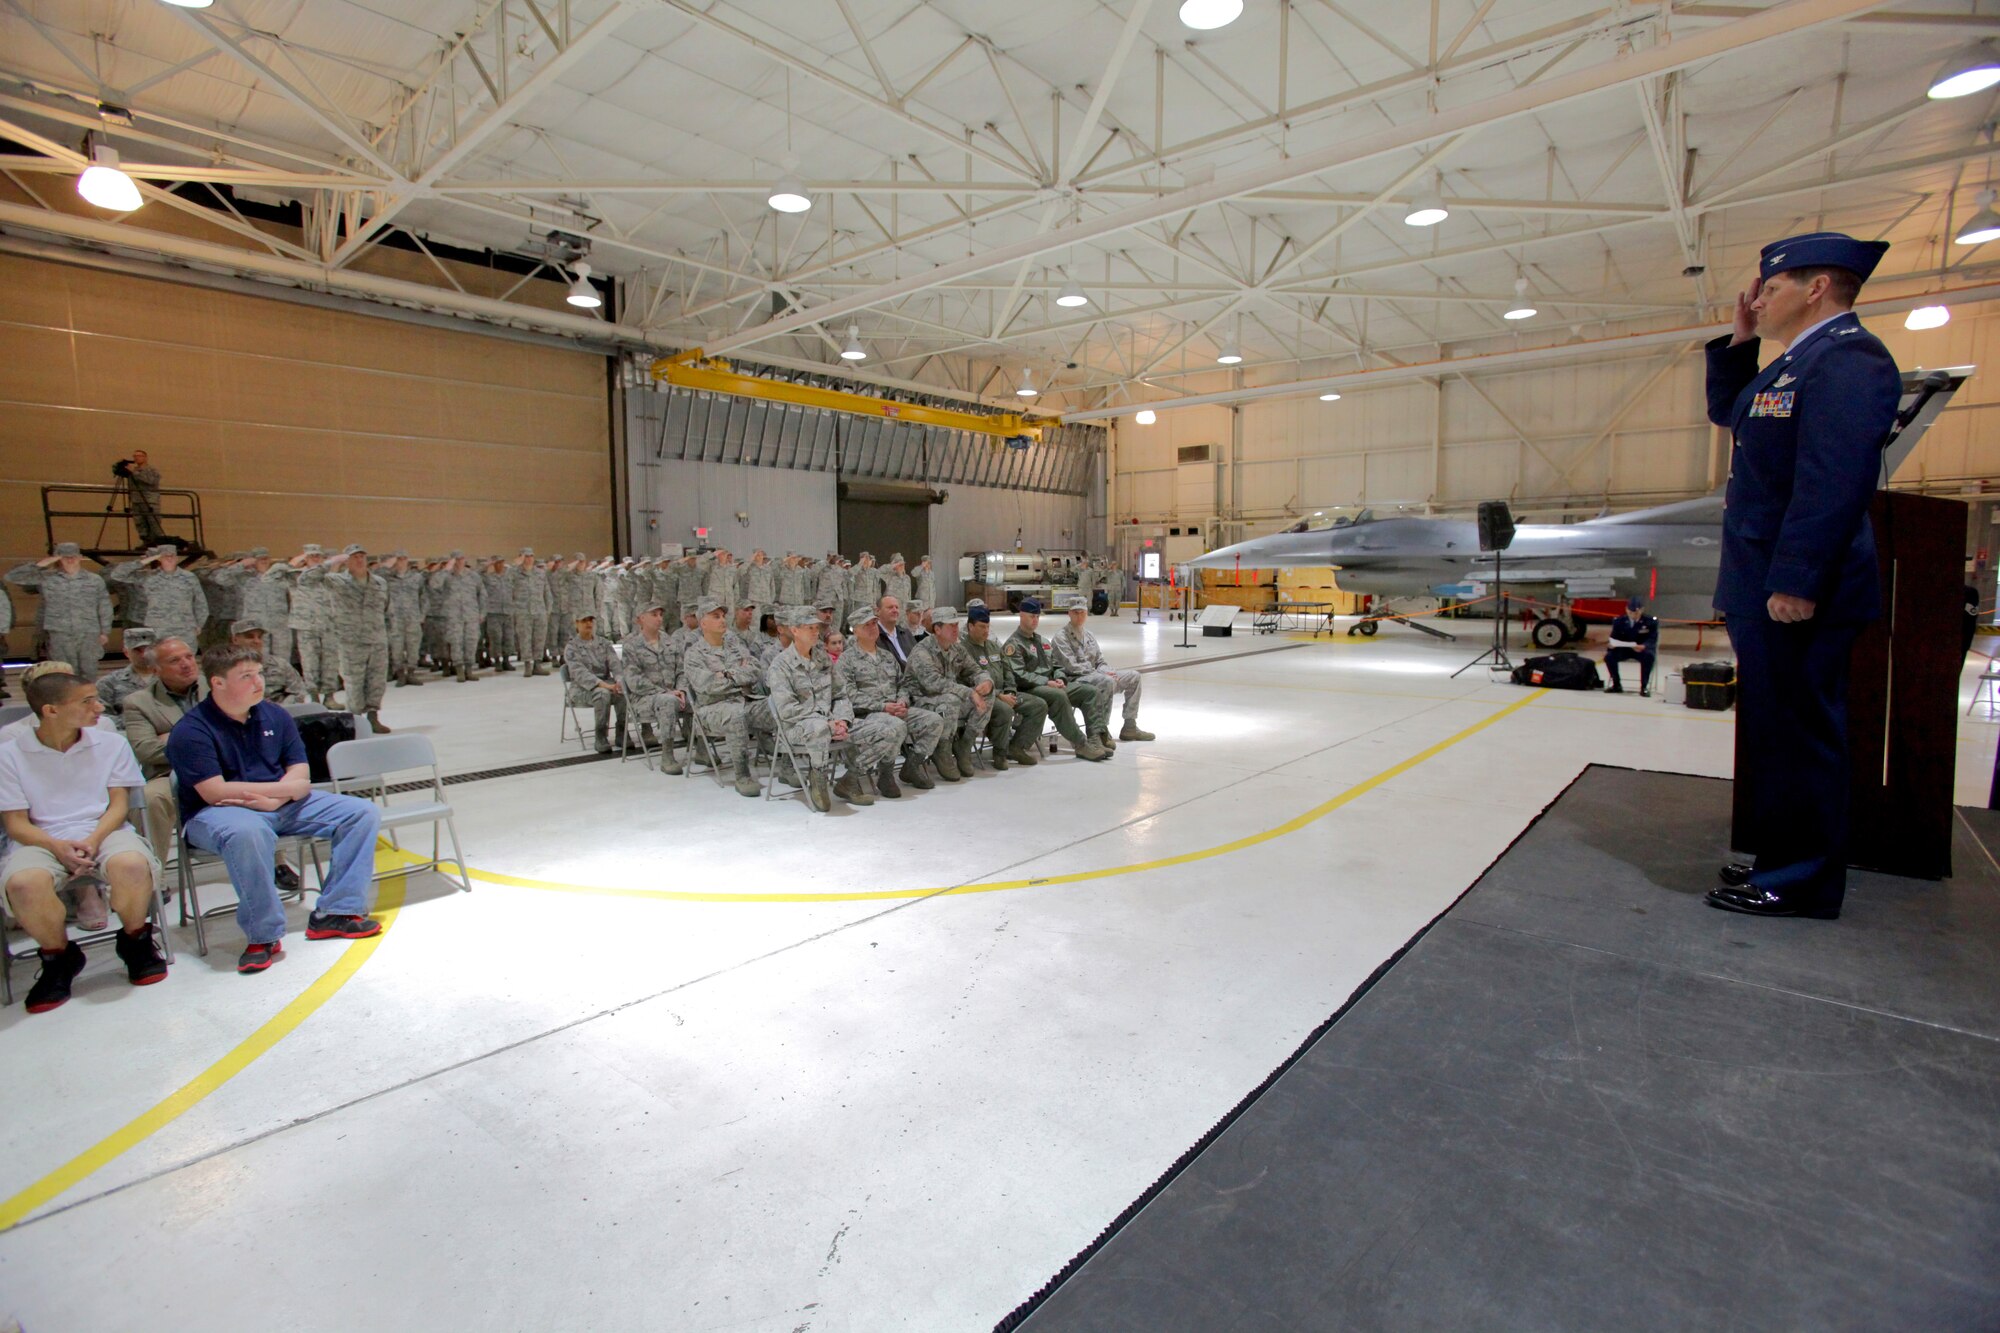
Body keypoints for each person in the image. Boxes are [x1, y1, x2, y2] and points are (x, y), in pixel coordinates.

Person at [1703, 231, 1903, 921]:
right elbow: (1732, 415)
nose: (1760, 298)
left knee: (1804, 732)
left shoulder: (1850, 360)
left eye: (1772, 286)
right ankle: (1780, 856)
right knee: (1777, 731)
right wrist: (1739, 344)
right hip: (1765, 584)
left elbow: (1832, 482)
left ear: (1816, 287)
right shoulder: (1791, 365)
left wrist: (1797, 578)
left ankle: (1804, 879)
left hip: (1795, 590)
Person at [167, 644, 384, 973]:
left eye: (259, 674)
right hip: (217, 814)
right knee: (248, 832)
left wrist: (276, 799)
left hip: (278, 804)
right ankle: (263, 935)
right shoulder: (192, 730)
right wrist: (282, 792)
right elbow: (214, 792)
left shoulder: (275, 715)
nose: (258, 683)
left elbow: (301, 775)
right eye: (246, 676)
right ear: (218, 683)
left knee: (360, 813)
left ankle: (336, 911)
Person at [0, 671, 168, 1012]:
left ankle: (136, 940)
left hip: (103, 830)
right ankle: (58, 957)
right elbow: (16, 823)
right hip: (40, 837)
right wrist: (57, 846)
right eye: (87, 701)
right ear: (51, 710)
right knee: (23, 884)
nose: (99, 707)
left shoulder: (110, 743)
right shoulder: (9, 754)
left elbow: (119, 805)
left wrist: (92, 839)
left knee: (131, 865)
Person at [764, 609, 874, 810]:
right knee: (818, 728)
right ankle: (818, 777)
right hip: (796, 728)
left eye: (817, 628)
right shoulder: (780, 666)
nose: (816, 632)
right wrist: (827, 724)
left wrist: (842, 720)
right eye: (809, 628)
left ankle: (850, 780)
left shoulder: (823, 659)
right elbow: (787, 710)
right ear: (795, 630)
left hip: (831, 723)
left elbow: (841, 694)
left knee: (885, 728)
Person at [122, 636, 208, 863]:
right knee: (149, 798)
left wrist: (176, 738)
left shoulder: (218, 686)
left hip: (226, 767)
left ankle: (277, 863)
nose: (186, 664)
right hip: (174, 774)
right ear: (155, 669)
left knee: (265, 776)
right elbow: (146, 750)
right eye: (174, 660)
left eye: (189, 656)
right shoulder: (139, 702)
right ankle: (152, 878)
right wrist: (208, 741)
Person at [836, 607, 940, 795]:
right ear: (856, 631)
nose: (872, 628)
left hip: (896, 709)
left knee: (933, 721)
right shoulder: (847, 660)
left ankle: (912, 766)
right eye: (866, 625)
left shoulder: (886, 656)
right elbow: (847, 694)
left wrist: (902, 701)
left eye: (874, 623)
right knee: (896, 726)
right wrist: (883, 707)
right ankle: (886, 774)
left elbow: (903, 684)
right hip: (867, 714)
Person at [683, 596, 773, 798]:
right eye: (715, 616)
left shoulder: (734, 645)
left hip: (744, 702)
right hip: (711, 710)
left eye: (723, 615)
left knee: (777, 705)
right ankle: (743, 776)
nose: (722, 620)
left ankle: (786, 766)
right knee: (735, 715)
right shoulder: (694, 654)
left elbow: (755, 669)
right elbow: (707, 685)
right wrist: (738, 676)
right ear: (702, 623)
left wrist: (727, 674)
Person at [1003, 599, 1107, 761]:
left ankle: (1095, 738)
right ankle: (1081, 744)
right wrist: (1046, 682)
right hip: (1030, 688)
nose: (1035, 620)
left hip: (1052, 685)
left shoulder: (1042, 642)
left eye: (1037, 616)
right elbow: (1019, 675)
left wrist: (1059, 678)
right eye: (1031, 616)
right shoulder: (1014, 644)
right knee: (1058, 697)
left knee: (1089, 692)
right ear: (1021, 616)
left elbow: (1057, 665)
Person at [304, 544, 392, 733]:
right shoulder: (336, 581)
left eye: (362, 556)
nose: (359, 560)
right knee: (354, 682)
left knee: (376, 681)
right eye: (354, 557)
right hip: (350, 641)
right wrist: (330, 562)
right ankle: (355, 721)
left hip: (377, 639)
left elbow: (386, 609)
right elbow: (306, 579)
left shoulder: (379, 582)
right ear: (346, 560)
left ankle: (373, 716)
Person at [907, 607, 992, 783]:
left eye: (956, 625)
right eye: (950, 626)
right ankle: (943, 750)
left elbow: (975, 670)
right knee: (952, 701)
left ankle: (965, 746)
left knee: (988, 695)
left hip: (948, 700)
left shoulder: (956, 649)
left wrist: (985, 682)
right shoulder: (922, 652)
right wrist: (969, 693)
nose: (955, 629)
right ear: (937, 629)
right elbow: (934, 684)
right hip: (922, 701)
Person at [7, 543, 115, 681]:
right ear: (58, 559)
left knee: (89, 670)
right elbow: (12, 577)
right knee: (63, 671)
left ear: (80, 557)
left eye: (73, 557)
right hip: (59, 632)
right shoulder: (46, 577)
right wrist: (42, 564)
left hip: (88, 632)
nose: (70, 560)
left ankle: (87, 699)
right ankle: (67, 700)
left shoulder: (94, 580)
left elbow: (104, 605)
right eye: (65, 557)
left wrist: (105, 631)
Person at [1053, 602, 1155, 749]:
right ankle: (1102, 730)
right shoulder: (1061, 637)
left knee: (1134, 676)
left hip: (1097, 676)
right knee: (1105, 681)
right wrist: (1102, 674)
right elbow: (1072, 666)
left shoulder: (1088, 635)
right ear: (1069, 613)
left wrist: (1107, 670)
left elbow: (1100, 660)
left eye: (1082, 612)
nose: (1079, 616)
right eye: (1075, 612)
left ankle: (1130, 726)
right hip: (1075, 680)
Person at [965, 603, 1047, 768]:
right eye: (981, 627)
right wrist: (998, 695)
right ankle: (1000, 753)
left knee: (1039, 705)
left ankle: (1017, 746)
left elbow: (1007, 670)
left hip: (1006, 693)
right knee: (1004, 710)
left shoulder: (993, 646)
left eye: (988, 626)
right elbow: (967, 681)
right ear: (970, 626)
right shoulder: (964, 649)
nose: (986, 631)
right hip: (985, 698)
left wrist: (1010, 690)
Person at [110, 545, 208, 661]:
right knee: (159, 661)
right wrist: (147, 559)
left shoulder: (189, 578)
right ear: (159, 558)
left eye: (173, 556)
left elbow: (200, 603)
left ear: (177, 558)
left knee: (186, 660)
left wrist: (199, 624)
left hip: (184, 628)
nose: (170, 559)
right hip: (158, 628)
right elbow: (118, 574)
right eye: (165, 556)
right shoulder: (148, 577)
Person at [620, 602, 686, 774]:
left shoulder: (670, 642)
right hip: (644, 699)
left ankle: (702, 750)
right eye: (654, 615)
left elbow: (682, 671)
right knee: (668, 701)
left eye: (660, 615)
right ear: (641, 619)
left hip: (674, 694)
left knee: (698, 698)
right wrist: (666, 692)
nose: (659, 618)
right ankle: (667, 756)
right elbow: (634, 681)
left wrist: (683, 690)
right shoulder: (631, 646)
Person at [563, 612, 626, 755]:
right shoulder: (572, 647)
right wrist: (605, 685)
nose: (588, 624)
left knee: (622, 692)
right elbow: (580, 674)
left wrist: (619, 682)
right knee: (602, 694)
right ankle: (601, 735)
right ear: (576, 624)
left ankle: (622, 732)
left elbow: (616, 665)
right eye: (584, 620)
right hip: (581, 689)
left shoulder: (604, 643)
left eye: (591, 620)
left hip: (607, 684)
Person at [231, 618, 308, 703]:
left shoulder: (280, 665)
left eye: (259, 637)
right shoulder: (225, 667)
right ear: (235, 640)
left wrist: (281, 710)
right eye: (250, 637)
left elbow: (298, 692)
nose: (256, 641)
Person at [95, 626, 159, 721]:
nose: (143, 654)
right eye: (137, 650)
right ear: (126, 652)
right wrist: (133, 723)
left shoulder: (171, 677)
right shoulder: (109, 683)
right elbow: (101, 717)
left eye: (148, 649)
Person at [1603, 596, 1660, 695]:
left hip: (1641, 650)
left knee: (1649, 657)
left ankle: (1644, 687)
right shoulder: (1619, 621)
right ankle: (1616, 684)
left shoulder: (1650, 621)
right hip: (1624, 649)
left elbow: (1652, 638)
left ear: (1641, 610)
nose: (1633, 615)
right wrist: (1611, 644)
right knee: (1609, 657)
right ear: (1626, 610)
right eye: (1630, 612)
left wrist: (1644, 646)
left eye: (1636, 612)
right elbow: (1614, 636)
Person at [510, 548, 551, 676]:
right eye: (526, 556)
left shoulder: (540, 573)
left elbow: (547, 592)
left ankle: (537, 664)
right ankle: (528, 665)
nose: (529, 559)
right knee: (525, 639)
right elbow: (505, 580)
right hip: (523, 611)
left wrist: (548, 610)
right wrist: (515, 564)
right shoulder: (515, 573)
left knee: (539, 638)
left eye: (531, 556)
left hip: (539, 611)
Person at [115, 450, 166, 546]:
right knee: (140, 523)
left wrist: (134, 472)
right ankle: (146, 543)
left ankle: (159, 544)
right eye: (134, 456)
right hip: (136, 500)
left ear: (145, 457)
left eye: (139, 456)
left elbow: (150, 481)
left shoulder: (151, 469)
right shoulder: (133, 471)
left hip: (149, 500)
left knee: (153, 523)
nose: (136, 458)